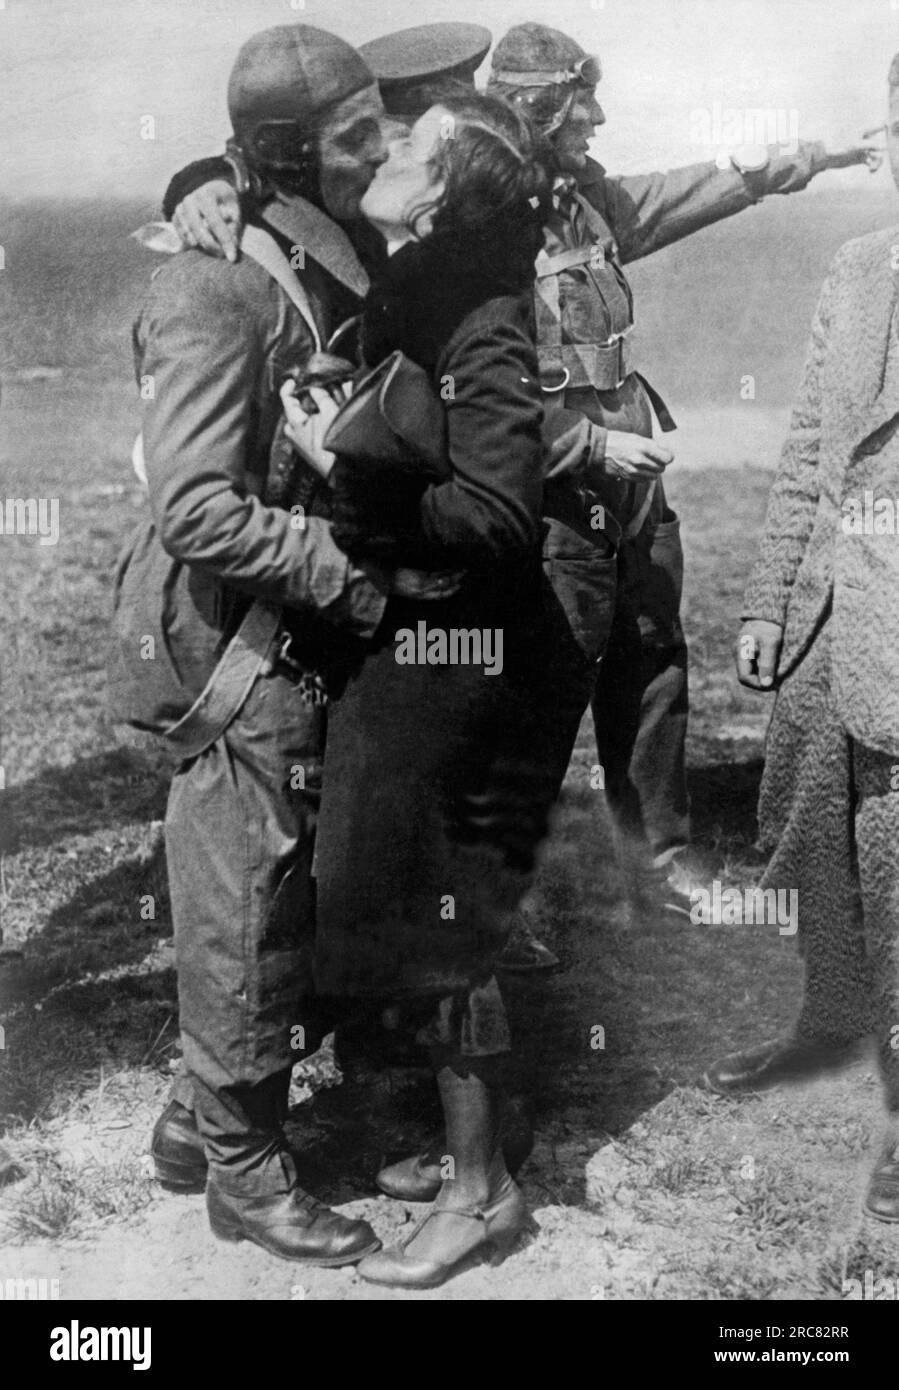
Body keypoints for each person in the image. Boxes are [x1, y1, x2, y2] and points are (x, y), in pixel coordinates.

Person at [119, 22, 455, 1264]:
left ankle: (190, 1123)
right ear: (286, 154)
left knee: (289, 888)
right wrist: (353, 581)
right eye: (354, 134)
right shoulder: (212, 286)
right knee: (247, 901)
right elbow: (198, 508)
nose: (382, 148)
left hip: (299, 623)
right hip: (237, 640)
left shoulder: (331, 252)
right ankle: (244, 1179)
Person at [486, 22, 881, 938]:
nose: (598, 118)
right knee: (546, 686)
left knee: (653, 660)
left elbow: (697, 188)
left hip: (631, 485)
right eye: (580, 102)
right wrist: (577, 447)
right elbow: (473, 390)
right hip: (553, 496)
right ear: (539, 109)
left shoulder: (582, 203)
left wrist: (815, 156)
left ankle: (661, 864)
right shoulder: (478, 228)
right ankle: (501, 904)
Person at [279, 90, 555, 1288]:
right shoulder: (410, 280)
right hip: (415, 638)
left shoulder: (480, 315)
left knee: (449, 919)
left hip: (462, 650)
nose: (386, 145)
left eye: (411, 143)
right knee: (399, 897)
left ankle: (481, 1190)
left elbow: (498, 516)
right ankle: (461, 1153)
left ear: (440, 191)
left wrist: (341, 464)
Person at [701, 56, 899, 1226]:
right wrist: (770, 600)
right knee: (807, 832)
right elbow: (807, 452)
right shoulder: (856, 263)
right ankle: (827, 1021)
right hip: (833, 614)